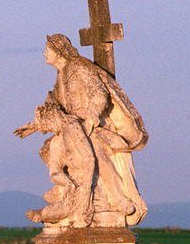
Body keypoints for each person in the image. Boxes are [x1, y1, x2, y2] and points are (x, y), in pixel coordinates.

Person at [16, 34, 148, 227]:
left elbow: (99, 92)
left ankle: (119, 198)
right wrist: (35, 125)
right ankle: (67, 189)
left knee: (95, 150)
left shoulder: (78, 67)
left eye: (47, 49)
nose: (44, 53)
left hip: (91, 125)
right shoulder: (60, 76)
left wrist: (90, 119)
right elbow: (52, 105)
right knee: (49, 149)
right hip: (70, 125)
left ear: (57, 51)